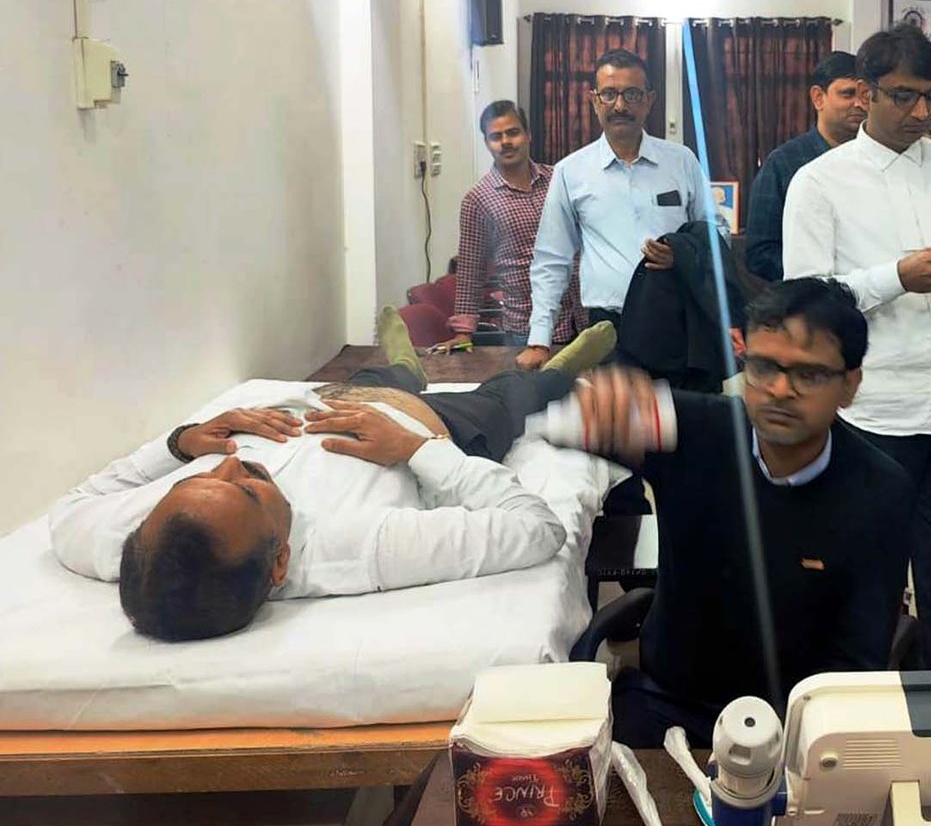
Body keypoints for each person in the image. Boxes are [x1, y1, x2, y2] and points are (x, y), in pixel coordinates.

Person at [48, 309, 607, 642]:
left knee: (373, 376)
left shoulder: (139, 541)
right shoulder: (358, 547)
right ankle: (558, 369)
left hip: (322, 401)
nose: (230, 463)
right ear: (280, 562)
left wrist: (179, 443)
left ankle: (403, 366)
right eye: (249, 489)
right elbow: (536, 528)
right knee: (508, 397)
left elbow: (73, 506)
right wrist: (417, 448)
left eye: (197, 477)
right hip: (424, 425)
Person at [572, 279, 914, 747]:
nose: (780, 389)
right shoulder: (690, 428)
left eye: (809, 375)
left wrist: (806, 740)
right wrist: (589, 402)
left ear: (850, 385)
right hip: (671, 701)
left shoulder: (881, 490)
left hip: (797, 721)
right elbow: (551, 416)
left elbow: (860, 655)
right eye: (764, 367)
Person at [783, 23, 931, 670]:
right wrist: (895, 278)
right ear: (865, 93)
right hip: (877, 410)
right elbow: (807, 297)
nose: (921, 112)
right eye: (903, 96)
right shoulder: (820, 182)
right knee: (869, 578)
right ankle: (867, 709)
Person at [517, 48, 712, 371]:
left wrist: (683, 255)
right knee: (614, 405)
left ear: (649, 100)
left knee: (679, 404)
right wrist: (539, 340)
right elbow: (551, 260)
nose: (620, 105)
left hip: (678, 325)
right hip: (608, 331)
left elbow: (714, 234)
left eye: (632, 94)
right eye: (609, 94)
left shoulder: (682, 162)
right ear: (594, 100)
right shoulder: (571, 172)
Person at [439, 101, 575, 350]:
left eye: (513, 132)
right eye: (496, 136)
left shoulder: (559, 180)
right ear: (487, 143)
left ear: (528, 134)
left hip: (579, 320)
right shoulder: (478, 199)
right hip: (526, 329)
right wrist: (464, 333)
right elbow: (470, 269)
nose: (506, 142)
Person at [743, 52, 867, 282]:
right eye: (848, 94)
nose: (859, 104)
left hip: (878, 291)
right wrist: (822, 277)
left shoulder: (876, 162)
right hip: (811, 297)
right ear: (818, 97)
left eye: (865, 95)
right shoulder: (783, 164)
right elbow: (760, 252)